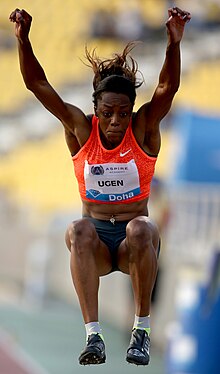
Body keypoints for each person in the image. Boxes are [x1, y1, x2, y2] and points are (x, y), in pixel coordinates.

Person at [9, 6, 191, 366]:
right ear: (96, 108)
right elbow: (37, 84)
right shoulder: (80, 129)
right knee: (77, 228)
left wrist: (173, 43)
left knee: (142, 227)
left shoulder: (143, 131)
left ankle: (142, 330)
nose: (115, 122)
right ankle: (93, 336)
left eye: (123, 113)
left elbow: (168, 87)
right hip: (95, 243)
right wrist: (23, 40)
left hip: (131, 242)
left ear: (131, 111)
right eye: (108, 113)